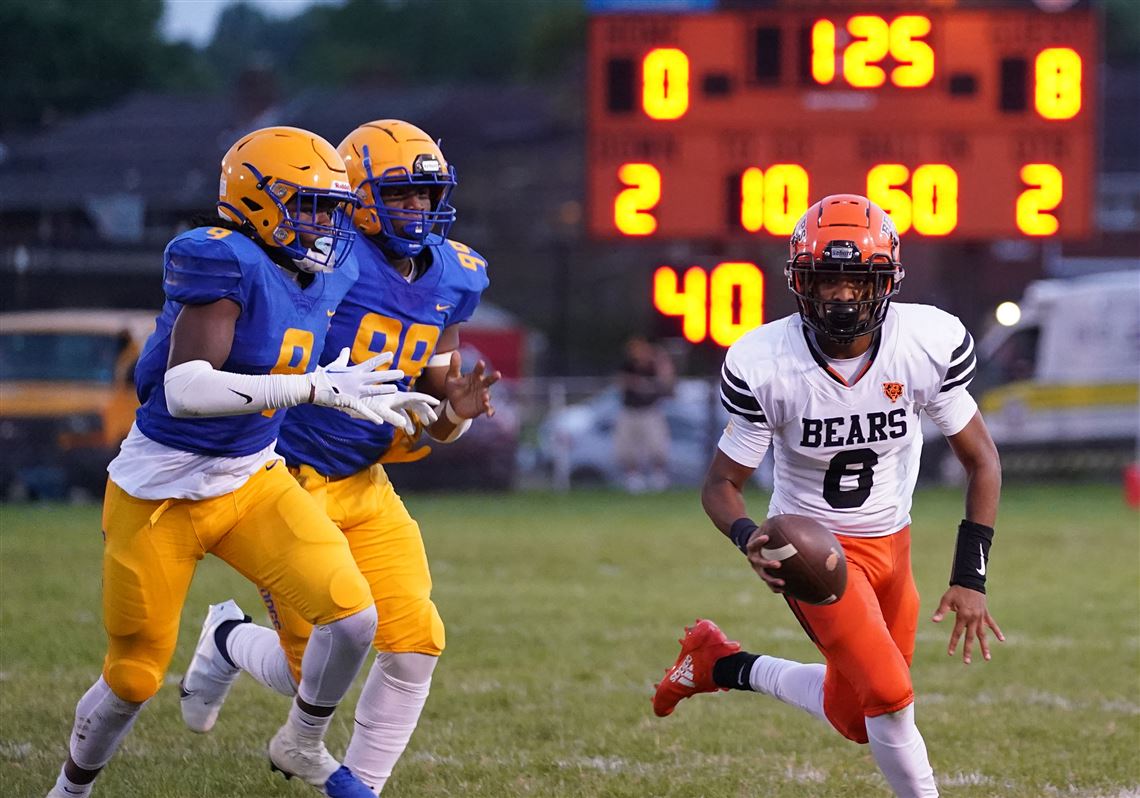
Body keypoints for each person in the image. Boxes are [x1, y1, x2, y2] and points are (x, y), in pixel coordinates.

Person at [45, 126, 434, 798]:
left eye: (330, 207)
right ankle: (70, 789)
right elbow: (186, 386)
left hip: (251, 480)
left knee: (354, 619)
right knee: (135, 677)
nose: (324, 223)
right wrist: (310, 387)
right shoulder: (219, 260)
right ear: (257, 200)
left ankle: (303, 741)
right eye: (309, 204)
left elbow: (294, 349)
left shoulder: (324, 269)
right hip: (160, 491)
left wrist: (356, 386)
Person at [179, 119, 499, 795]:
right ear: (352, 192)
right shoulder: (321, 259)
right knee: (310, 669)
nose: (417, 209)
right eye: (401, 194)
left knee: (415, 640)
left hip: (364, 478)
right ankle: (229, 639)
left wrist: (456, 415)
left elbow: (437, 414)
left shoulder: (452, 274)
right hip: (285, 474)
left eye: (427, 193)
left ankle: (363, 785)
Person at [652, 194, 1004, 798]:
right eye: (826, 279)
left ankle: (719, 663)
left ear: (886, 282)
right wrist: (750, 539)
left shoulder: (924, 342)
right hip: (817, 555)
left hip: (895, 546)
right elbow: (720, 485)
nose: (841, 296)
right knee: (891, 700)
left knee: (856, 718)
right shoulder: (768, 362)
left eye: (856, 279)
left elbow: (982, 461)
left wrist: (970, 577)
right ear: (799, 283)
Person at [614, 336, 674, 492]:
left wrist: (661, 361)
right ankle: (633, 478)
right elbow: (622, 382)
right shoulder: (628, 366)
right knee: (628, 447)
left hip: (650, 410)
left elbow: (667, 382)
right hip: (630, 410)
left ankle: (658, 476)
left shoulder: (654, 366)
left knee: (657, 445)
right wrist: (637, 383)